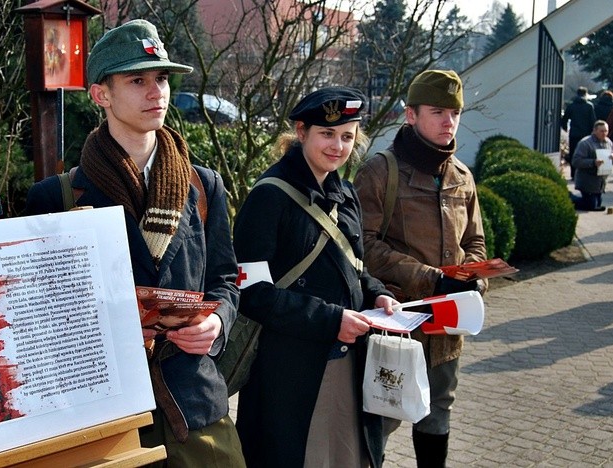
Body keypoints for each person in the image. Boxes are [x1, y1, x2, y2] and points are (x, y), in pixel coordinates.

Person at [24, 20, 244, 467]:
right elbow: (37, 316)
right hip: (103, 410)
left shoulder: (203, 185)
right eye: (138, 80)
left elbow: (224, 281)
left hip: (194, 401)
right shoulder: (57, 198)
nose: (156, 91)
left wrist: (216, 324)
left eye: (161, 78)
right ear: (101, 95)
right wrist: (111, 330)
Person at [233, 86, 398, 468]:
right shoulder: (268, 196)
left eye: (347, 136)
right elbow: (252, 292)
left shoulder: (345, 192)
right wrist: (329, 320)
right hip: (290, 372)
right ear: (301, 131)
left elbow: (356, 268)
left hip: (349, 361)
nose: (337, 146)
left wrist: (377, 294)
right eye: (327, 134)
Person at [354, 69, 487, 467]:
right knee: (383, 416)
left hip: (447, 324)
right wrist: (431, 279)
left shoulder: (462, 176)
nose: (449, 122)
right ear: (410, 115)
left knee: (437, 411)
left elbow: (474, 243)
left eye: (455, 113)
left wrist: (475, 278)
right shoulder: (380, 172)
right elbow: (363, 246)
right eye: (438, 112)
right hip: (396, 322)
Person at [570, 120, 613, 212]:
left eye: (606, 131)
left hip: (599, 182)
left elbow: (611, 159)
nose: (604, 133)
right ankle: (569, 197)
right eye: (601, 131)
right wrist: (593, 162)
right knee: (591, 206)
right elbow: (576, 161)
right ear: (594, 130)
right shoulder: (585, 143)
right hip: (587, 180)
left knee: (597, 204)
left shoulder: (608, 143)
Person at [561, 86, 597, 179]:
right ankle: (583, 174)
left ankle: (573, 174)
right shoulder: (589, 106)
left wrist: (565, 128)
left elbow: (564, 119)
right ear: (585, 94)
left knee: (574, 154)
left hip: (574, 134)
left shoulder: (571, 106)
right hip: (586, 135)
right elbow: (593, 121)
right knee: (586, 155)